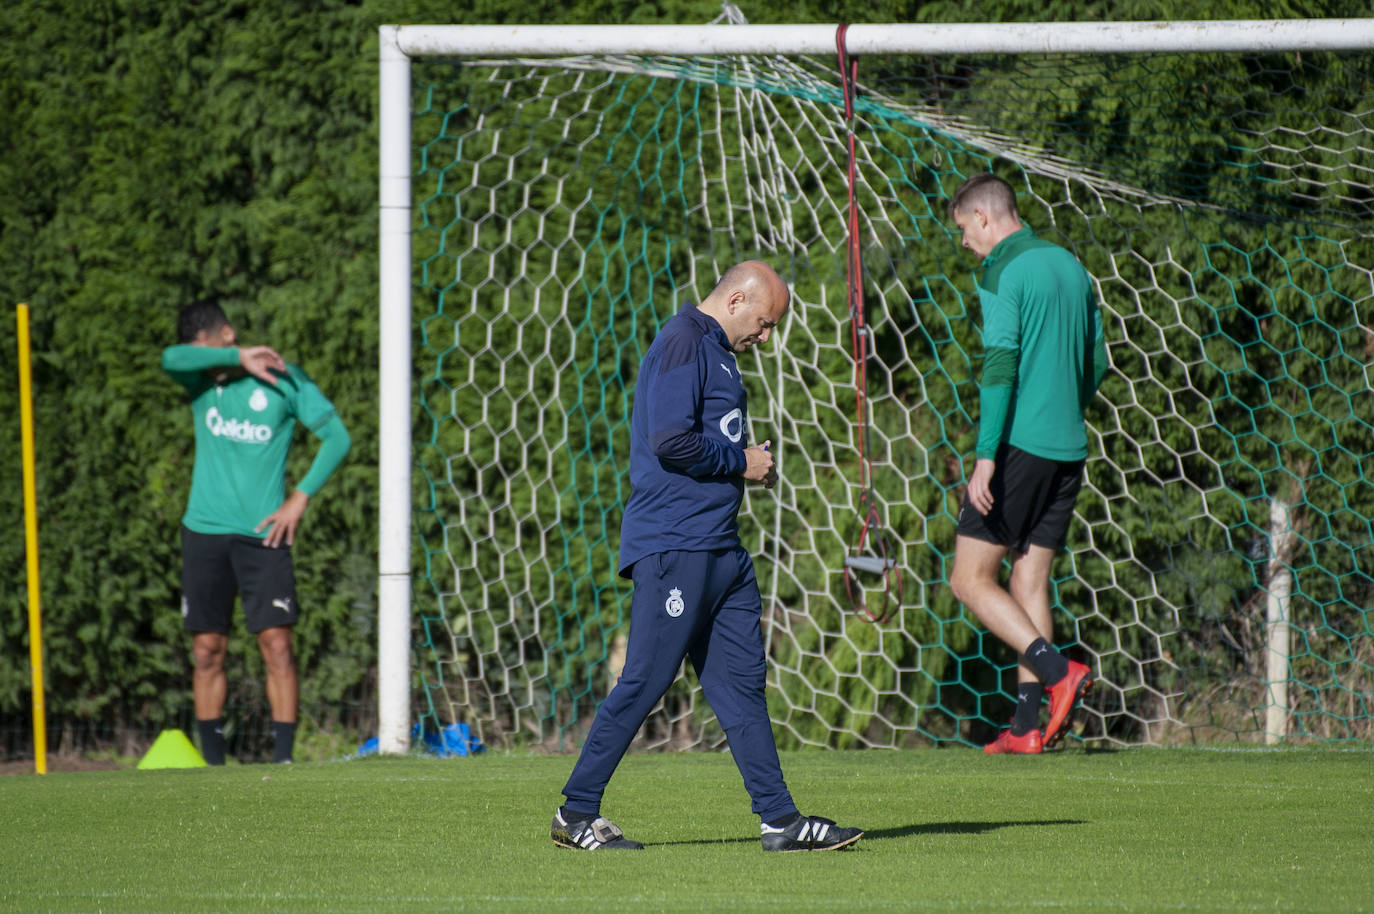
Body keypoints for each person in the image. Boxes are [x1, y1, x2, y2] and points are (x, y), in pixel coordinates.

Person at [551, 261, 862, 852]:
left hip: (721, 550)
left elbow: (703, 439)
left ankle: (780, 822)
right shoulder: (681, 341)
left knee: (742, 690)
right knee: (646, 680)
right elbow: (668, 440)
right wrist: (740, 462)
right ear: (737, 297)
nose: (766, 339)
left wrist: (743, 460)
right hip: (676, 545)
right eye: (765, 324)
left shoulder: (718, 352)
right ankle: (576, 813)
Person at [945, 173, 1109, 755]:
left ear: (985, 218)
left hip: (1020, 447)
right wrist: (1065, 408)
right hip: (1069, 446)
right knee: (1028, 578)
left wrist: (985, 458)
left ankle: (1060, 673)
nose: (964, 241)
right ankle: (1026, 727)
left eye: (964, 228)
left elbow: (1000, 368)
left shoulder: (1003, 269)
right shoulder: (1069, 264)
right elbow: (1097, 360)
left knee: (968, 579)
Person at [162, 301, 350, 764]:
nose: (202, 357)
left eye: (208, 347)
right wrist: (234, 357)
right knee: (207, 650)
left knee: (278, 645)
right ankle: (213, 765)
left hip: (264, 536)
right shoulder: (205, 380)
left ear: (226, 332)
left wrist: (299, 498)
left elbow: (338, 437)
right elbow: (171, 359)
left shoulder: (284, 377)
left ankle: (284, 760)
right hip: (203, 532)